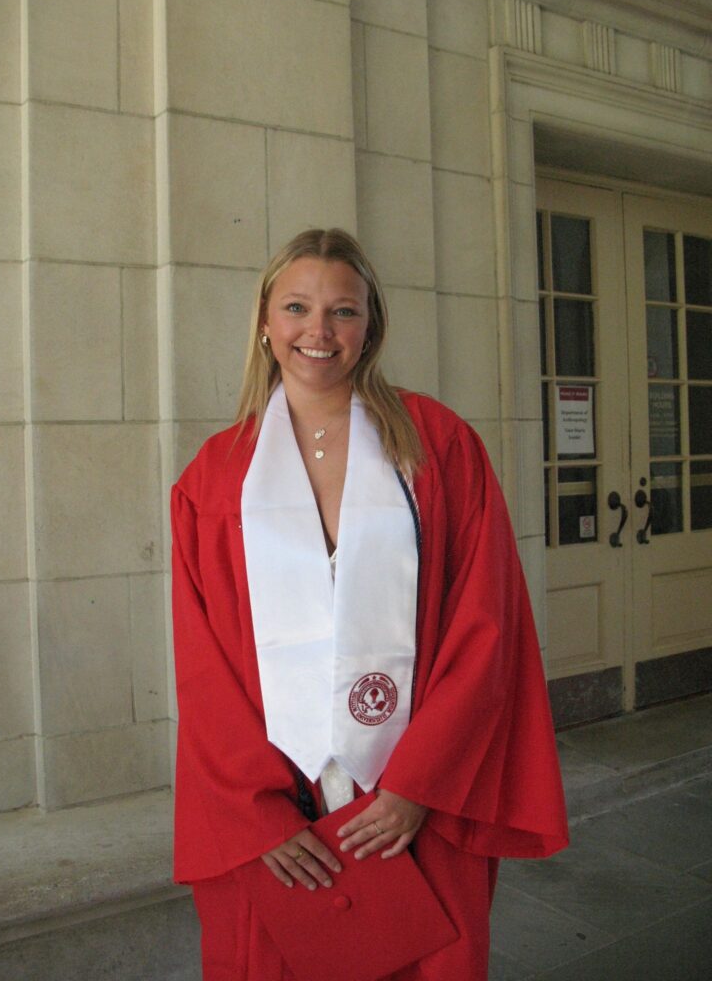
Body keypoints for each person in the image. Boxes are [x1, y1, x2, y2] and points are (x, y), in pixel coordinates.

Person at [171, 228, 568, 980]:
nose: (317, 332)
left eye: (343, 312)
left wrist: (419, 783)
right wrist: (257, 815)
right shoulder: (214, 479)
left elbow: (487, 628)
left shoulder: (438, 447)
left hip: (411, 806)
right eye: (296, 307)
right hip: (279, 811)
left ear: (370, 326)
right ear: (264, 321)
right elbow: (202, 665)